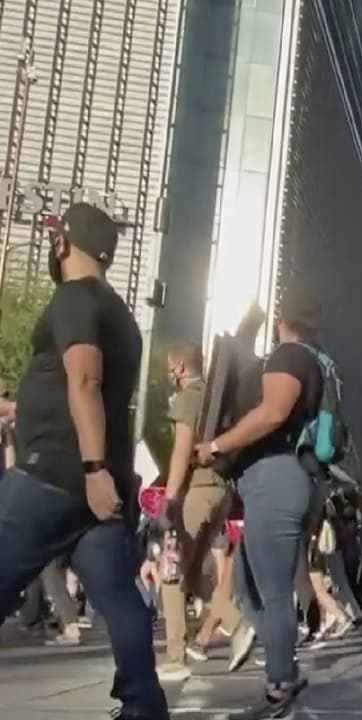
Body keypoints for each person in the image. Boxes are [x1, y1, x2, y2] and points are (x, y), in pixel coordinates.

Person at [0, 203, 166, 719]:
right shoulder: (122, 317)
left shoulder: (74, 297)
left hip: (57, 472)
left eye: (56, 237)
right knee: (119, 599)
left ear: (66, 243)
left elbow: (85, 380)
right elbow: (77, 384)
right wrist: (18, 406)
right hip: (97, 483)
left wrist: (92, 469)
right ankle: (144, 706)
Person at [194, 288, 329, 720]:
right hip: (266, 481)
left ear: (281, 321)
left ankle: (279, 685)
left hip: (275, 477)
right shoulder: (301, 357)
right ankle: (281, 663)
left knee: (272, 594)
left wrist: (216, 444)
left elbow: (272, 413)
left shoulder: (291, 357)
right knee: (244, 588)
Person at [156, 342, 234, 682]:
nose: (168, 374)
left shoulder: (189, 398)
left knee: (171, 573)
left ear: (181, 365)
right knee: (191, 575)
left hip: (196, 490)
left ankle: (175, 655)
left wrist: (169, 499)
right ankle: (239, 623)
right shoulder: (217, 397)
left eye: (169, 366)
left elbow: (181, 451)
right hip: (221, 490)